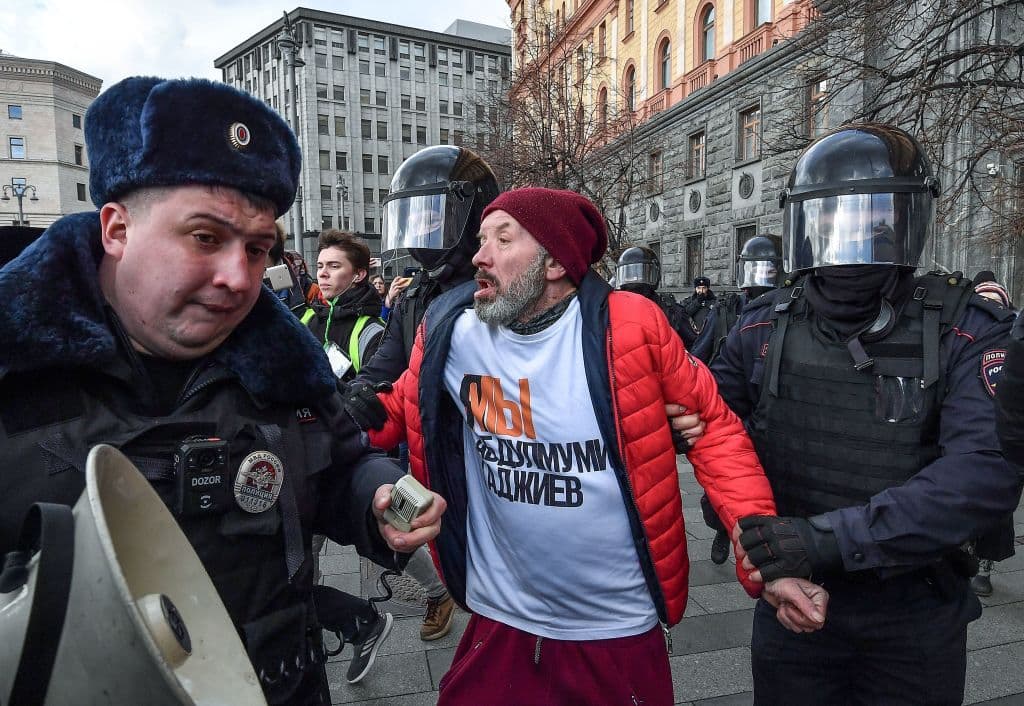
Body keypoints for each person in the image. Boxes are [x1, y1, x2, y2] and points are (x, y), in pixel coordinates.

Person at [0, 76, 445, 704]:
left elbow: (343, 464)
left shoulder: (285, 367)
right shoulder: (16, 373)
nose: (239, 278)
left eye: (258, 249)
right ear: (116, 229)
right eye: (205, 238)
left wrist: (376, 496)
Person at [363, 186, 823, 705]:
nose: (479, 255)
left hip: (612, 624)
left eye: (503, 239)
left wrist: (765, 552)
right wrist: (334, 408)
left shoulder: (632, 326)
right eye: (482, 239)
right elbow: (400, 407)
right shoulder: (453, 329)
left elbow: (714, 429)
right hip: (501, 616)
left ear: (556, 262)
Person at [711, 123, 1020, 704]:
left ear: (905, 222)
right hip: (792, 600)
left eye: (870, 219)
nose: (851, 238)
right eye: (832, 220)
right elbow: (708, 431)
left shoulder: (962, 328)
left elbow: (980, 475)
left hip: (912, 613)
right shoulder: (761, 326)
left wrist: (823, 540)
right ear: (807, 225)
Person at [697, 234, 785, 565]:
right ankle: (724, 529)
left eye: (767, 271)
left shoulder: (796, 311)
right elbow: (704, 348)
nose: (759, 281)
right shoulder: (733, 311)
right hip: (741, 407)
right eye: (754, 271)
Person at [968, 270, 1017, 597]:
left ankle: (984, 566)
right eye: (983, 303)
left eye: (994, 303)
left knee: (997, 507)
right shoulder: (960, 338)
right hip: (968, 432)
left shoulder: (1014, 340)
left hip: (1004, 436)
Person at [301, 230, 385, 383]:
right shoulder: (306, 320)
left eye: (333, 266)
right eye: (320, 266)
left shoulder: (374, 333)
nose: (322, 274)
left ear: (359, 275)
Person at [615, 245, 691, 342]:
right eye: (629, 274)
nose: (634, 280)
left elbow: (692, 346)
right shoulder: (614, 309)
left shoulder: (670, 310)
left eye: (640, 273)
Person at [680, 276, 718, 362]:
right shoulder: (689, 301)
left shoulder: (714, 301)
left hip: (708, 337)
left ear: (707, 288)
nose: (701, 291)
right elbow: (685, 314)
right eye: (698, 288)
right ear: (695, 288)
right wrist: (698, 302)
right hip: (692, 337)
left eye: (704, 288)